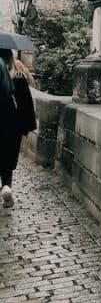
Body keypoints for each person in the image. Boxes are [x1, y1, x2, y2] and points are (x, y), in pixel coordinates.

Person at [0, 50, 36, 208]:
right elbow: (26, 104)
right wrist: (27, 127)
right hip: (10, 123)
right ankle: (6, 186)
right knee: (7, 160)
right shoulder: (17, 76)